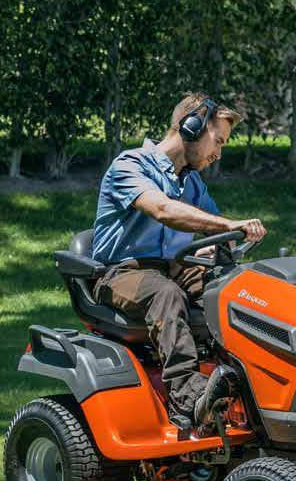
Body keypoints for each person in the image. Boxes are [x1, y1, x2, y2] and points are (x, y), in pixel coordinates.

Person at [91, 93, 266, 427]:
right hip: (121, 273)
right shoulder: (129, 166)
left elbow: (212, 229)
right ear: (191, 127)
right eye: (218, 141)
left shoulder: (192, 183)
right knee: (165, 294)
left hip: (173, 269)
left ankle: (252, 382)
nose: (218, 153)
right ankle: (188, 398)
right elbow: (163, 210)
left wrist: (218, 246)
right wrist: (229, 225)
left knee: (233, 288)